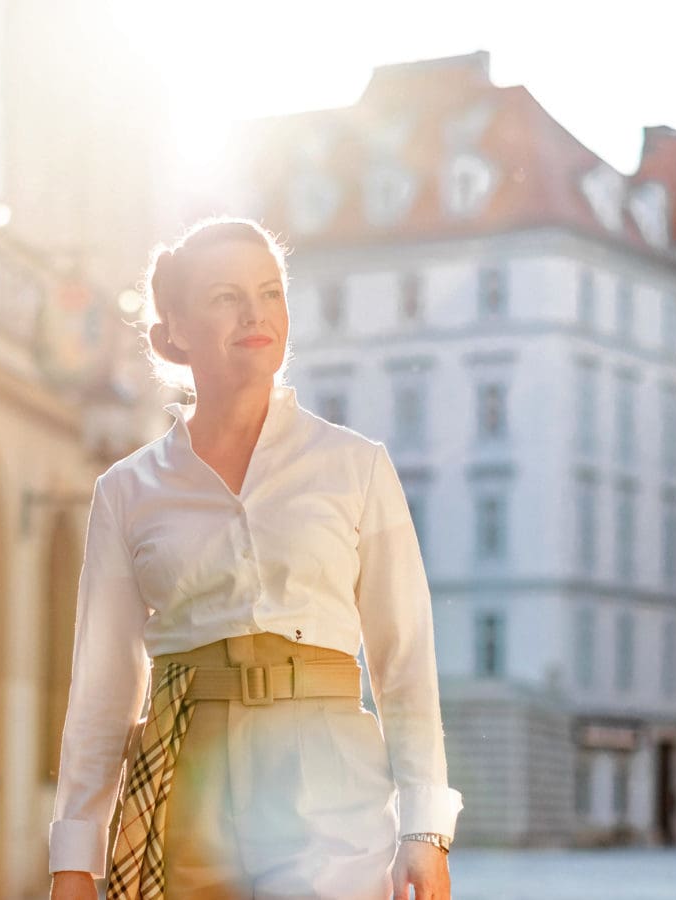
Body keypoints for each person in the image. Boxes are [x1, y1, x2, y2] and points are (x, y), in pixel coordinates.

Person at [48, 218, 461, 900]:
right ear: (176, 330)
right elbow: (103, 686)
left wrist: (425, 827)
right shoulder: (127, 490)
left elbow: (404, 659)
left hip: (329, 785)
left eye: (270, 292)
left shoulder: (356, 466)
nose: (255, 314)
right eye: (226, 297)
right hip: (183, 780)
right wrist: (74, 854)